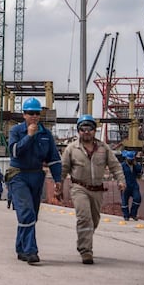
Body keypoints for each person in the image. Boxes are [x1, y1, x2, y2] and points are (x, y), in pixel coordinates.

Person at [60, 114, 126, 265]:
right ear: (78, 131)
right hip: (79, 188)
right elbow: (63, 169)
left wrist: (121, 181)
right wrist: (59, 187)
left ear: (94, 130)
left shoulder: (103, 148)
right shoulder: (72, 149)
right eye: (82, 129)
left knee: (94, 221)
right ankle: (86, 251)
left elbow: (115, 166)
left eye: (89, 128)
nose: (86, 132)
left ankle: (83, 240)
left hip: (97, 190)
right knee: (84, 218)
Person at [7, 97, 62, 264]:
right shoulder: (16, 131)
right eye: (30, 113)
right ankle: (31, 251)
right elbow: (15, 152)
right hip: (18, 175)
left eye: (37, 113)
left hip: (37, 176)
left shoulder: (46, 134)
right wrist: (29, 136)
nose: (34, 116)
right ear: (24, 115)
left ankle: (20, 248)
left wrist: (58, 180)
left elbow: (54, 158)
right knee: (26, 213)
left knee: (32, 216)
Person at [120, 150, 143, 221]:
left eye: (132, 159)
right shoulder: (122, 165)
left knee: (137, 198)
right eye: (130, 159)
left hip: (134, 186)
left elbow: (140, 171)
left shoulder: (135, 165)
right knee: (124, 202)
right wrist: (120, 183)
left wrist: (136, 164)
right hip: (125, 185)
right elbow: (119, 175)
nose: (131, 160)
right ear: (126, 158)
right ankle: (126, 216)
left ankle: (133, 214)